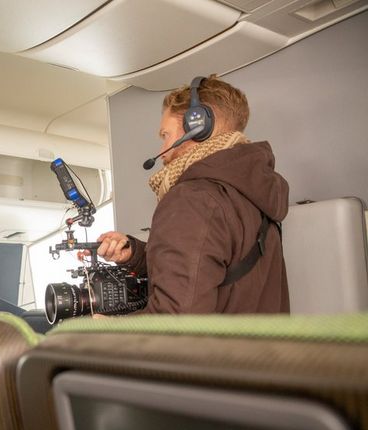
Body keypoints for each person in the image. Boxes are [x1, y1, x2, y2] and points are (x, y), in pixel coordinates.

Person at [87, 75, 289, 314]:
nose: (162, 152)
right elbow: (213, 270)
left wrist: (104, 329)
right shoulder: (252, 193)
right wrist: (137, 254)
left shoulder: (192, 199)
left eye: (166, 135)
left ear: (198, 127)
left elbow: (177, 322)